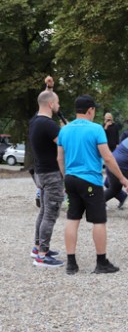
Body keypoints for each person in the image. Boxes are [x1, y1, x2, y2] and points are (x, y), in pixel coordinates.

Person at [57, 95, 128, 275]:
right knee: (98, 220)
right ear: (90, 110)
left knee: (72, 219)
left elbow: (60, 157)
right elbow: (107, 157)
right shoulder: (96, 129)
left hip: (71, 179)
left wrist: (66, 176)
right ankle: (101, 262)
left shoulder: (64, 130)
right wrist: (121, 178)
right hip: (90, 180)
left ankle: (71, 264)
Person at [28, 90, 65, 268]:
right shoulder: (49, 125)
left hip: (40, 174)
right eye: (57, 103)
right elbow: (65, 144)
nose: (59, 106)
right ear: (51, 104)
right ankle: (42, 256)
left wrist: (49, 88)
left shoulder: (35, 121)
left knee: (43, 212)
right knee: (50, 214)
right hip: (52, 175)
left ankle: (38, 248)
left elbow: (43, 98)